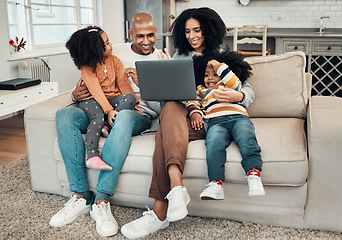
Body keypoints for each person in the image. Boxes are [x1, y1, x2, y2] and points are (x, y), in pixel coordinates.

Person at [121, 7, 255, 239]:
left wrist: (240, 96)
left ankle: (159, 211)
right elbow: (165, 102)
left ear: (209, 29)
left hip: (211, 122)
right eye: (187, 31)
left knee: (165, 131)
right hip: (181, 121)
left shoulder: (223, 56)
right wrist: (153, 83)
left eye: (197, 30)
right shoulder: (179, 58)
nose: (192, 36)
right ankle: (177, 187)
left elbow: (247, 88)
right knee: (170, 108)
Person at [49, 13, 160, 237]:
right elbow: (91, 82)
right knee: (64, 115)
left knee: (124, 116)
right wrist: (74, 93)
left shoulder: (162, 58)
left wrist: (142, 86)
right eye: (140, 35)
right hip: (99, 108)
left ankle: (101, 199)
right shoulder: (111, 50)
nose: (146, 41)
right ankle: (81, 195)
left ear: (157, 33)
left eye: (151, 35)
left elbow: (165, 101)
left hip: (136, 112)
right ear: (130, 34)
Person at [189, 51, 265, 200]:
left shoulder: (229, 85)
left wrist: (219, 66)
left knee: (246, 139)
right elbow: (192, 101)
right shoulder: (201, 90)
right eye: (206, 75)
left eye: (215, 74)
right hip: (216, 122)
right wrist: (194, 112)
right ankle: (215, 183)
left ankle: (253, 175)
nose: (210, 77)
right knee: (212, 144)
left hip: (238, 118)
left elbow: (234, 81)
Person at [65, 26, 139, 171]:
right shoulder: (87, 68)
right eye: (106, 43)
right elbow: (96, 91)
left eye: (108, 41)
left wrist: (134, 106)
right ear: (95, 49)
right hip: (92, 100)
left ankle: (106, 126)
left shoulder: (114, 61)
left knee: (129, 98)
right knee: (97, 117)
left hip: (111, 100)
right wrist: (109, 111)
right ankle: (92, 156)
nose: (110, 45)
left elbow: (123, 85)